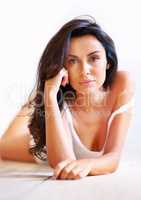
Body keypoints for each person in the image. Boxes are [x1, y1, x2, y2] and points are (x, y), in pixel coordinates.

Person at [0, 15, 134, 180]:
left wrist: (88, 164)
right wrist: (49, 95)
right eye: (72, 61)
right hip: (45, 144)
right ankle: (38, 98)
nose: (85, 70)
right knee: (2, 147)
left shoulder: (123, 83)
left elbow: (113, 158)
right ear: (63, 67)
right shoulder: (60, 99)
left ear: (108, 61)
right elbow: (64, 164)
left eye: (94, 58)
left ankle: (37, 98)